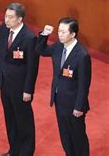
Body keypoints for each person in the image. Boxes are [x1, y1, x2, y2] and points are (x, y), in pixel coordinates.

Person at [0, 3, 39, 156]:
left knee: (24, 121)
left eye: (10, 17)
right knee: (10, 118)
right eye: (6, 16)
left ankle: (26, 152)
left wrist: (28, 90)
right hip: (4, 82)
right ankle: (14, 150)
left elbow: (32, 68)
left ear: (20, 19)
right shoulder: (4, 29)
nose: (7, 20)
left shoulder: (29, 38)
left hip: (20, 87)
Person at [35, 18, 91, 156]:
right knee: (65, 136)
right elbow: (40, 51)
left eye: (63, 32)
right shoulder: (58, 46)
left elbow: (84, 84)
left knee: (78, 137)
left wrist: (79, 106)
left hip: (74, 105)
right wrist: (44, 35)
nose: (59, 34)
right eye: (59, 31)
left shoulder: (82, 55)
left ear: (72, 34)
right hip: (59, 100)